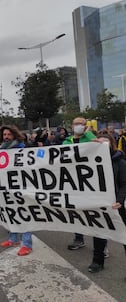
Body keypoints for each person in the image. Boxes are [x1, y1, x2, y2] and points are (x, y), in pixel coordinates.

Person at [88, 133, 126, 273]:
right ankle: (97, 262)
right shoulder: (90, 161)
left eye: (106, 143)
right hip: (100, 204)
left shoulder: (120, 162)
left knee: (124, 234)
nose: (103, 146)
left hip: (117, 205)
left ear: (111, 144)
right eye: (100, 143)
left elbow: (124, 184)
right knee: (99, 233)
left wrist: (120, 200)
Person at [0, 125, 32, 256]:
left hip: (22, 186)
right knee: (11, 213)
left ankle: (27, 244)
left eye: (9, 134)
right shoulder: (1, 149)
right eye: (4, 134)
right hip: (7, 186)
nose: (6, 137)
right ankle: (13, 239)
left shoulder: (22, 149)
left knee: (25, 214)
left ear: (14, 135)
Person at [64, 117, 97, 250]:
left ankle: (101, 244)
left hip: (92, 183)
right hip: (74, 183)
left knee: (96, 213)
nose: (79, 126)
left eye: (82, 124)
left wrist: (89, 134)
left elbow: (99, 146)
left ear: (86, 126)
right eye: (77, 124)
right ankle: (79, 238)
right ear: (72, 126)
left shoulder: (91, 139)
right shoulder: (66, 142)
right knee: (76, 213)